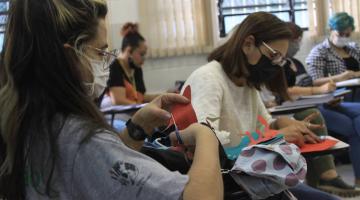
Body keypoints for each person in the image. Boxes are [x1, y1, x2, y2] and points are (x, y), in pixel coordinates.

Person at [0, 0, 223, 199]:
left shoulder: (27, 121)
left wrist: (137, 128)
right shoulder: (81, 141)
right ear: (70, 58)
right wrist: (206, 136)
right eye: (100, 53)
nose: (105, 63)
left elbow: (95, 172)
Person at [182, 12, 339, 200]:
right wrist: (275, 139)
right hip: (224, 185)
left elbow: (262, 124)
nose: (275, 65)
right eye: (273, 55)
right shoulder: (209, 79)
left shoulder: (246, 82)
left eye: (279, 59)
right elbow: (205, 147)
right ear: (248, 44)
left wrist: (280, 123)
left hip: (251, 178)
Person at [282, 22, 360, 189]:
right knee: (353, 127)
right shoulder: (314, 54)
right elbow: (286, 91)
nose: (297, 44)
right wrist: (321, 89)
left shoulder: (295, 62)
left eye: (299, 40)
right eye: (295, 40)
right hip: (311, 105)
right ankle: (338, 177)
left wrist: (327, 94)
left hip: (327, 99)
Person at [102, 23, 158, 107]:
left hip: (131, 111)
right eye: (141, 54)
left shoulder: (136, 67)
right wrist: (143, 108)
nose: (143, 59)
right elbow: (118, 100)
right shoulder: (114, 67)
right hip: (117, 115)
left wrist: (163, 96)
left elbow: (140, 97)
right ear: (129, 51)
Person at [306, 12, 360, 99]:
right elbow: (315, 82)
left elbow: (354, 74)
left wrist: (354, 74)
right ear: (331, 30)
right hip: (337, 96)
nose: (344, 37)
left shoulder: (354, 48)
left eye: (347, 35)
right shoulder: (319, 52)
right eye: (340, 34)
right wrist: (340, 77)